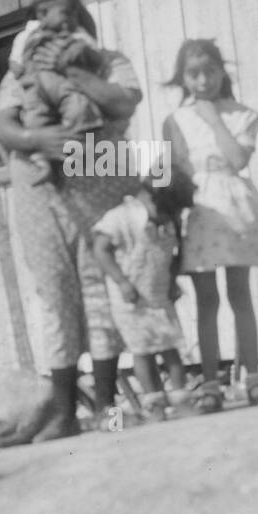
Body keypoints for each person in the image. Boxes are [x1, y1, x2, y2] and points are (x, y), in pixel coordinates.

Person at [0, 0, 142, 438]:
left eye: (68, 14)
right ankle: (61, 410)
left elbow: (124, 102)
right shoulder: (23, 68)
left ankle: (106, 401)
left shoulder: (108, 60)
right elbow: (5, 125)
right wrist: (38, 139)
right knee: (55, 292)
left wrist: (76, 74)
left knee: (98, 289)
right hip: (39, 186)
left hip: (96, 177)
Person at [162, 39, 258, 414]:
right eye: (193, 73)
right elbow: (175, 174)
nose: (203, 81)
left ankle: (251, 377)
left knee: (240, 295)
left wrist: (213, 118)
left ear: (221, 71)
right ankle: (212, 384)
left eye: (209, 71)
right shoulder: (176, 121)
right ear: (182, 78)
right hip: (200, 211)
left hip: (234, 210)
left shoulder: (242, 114)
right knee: (207, 300)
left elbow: (236, 159)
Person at [92, 171, 196, 422]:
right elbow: (100, 249)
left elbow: (177, 253)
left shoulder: (169, 217)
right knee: (142, 350)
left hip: (159, 292)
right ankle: (154, 402)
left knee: (170, 346)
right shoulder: (121, 218)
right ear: (147, 197)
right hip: (131, 297)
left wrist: (173, 281)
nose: (166, 217)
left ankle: (181, 400)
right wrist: (121, 281)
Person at [8, 0, 107, 183]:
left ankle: (80, 155)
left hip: (65, 86)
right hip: (37, 90)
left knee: (78, 109)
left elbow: (92, 49)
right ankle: (42, 163)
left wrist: (80, 54)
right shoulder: (26, 35)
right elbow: (14, 61)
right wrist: (21, 72)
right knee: (35, 120)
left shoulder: (74, 32)